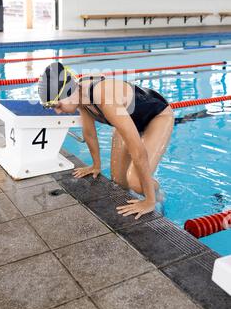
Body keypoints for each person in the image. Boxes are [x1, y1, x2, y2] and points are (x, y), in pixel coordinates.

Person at [38, 61, 174, 219]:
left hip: (157, 117)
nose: (58, 111)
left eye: (58, 105)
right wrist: (95, 166)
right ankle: (147, 190)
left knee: (135, 182)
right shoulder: (79, 95)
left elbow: (137, 150)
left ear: (69, 92)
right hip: (128, 120)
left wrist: (148, 201)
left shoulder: (103, 97)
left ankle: (157, 195)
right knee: (118, 181)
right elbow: (89, 133)